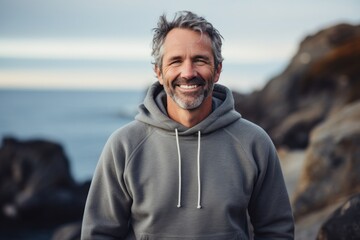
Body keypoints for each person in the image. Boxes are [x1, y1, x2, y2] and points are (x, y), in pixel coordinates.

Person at [81, 11, 294, 239]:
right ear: (159, 72)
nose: (188, 73)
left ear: (218, 70)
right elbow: (99, 234)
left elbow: (276, 231)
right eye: (176, 61)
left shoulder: (254, 143)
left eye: (200, 60)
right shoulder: (124, 145)